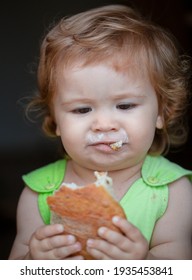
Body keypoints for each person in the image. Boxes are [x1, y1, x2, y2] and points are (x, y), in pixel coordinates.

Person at [9, 4, 192, 260]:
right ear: (56, 121)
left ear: (163, 112)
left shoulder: (173, 191)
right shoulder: (40, 193)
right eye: (82, 110)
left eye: (125, 105)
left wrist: (143, 262)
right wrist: (34, 261)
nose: (104, 124)